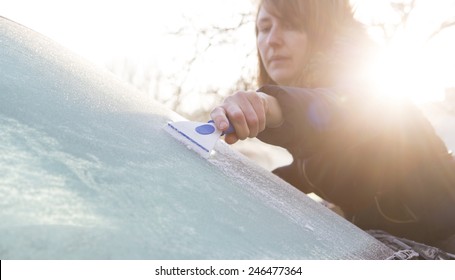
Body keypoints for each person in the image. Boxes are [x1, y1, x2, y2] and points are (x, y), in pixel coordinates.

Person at [210, 0, 455, 254]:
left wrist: (269, 105)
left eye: (291, 25)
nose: (271, 40)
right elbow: (314, 167)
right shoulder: (315, 119)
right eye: (263, 27)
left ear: (324, 30)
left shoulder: (366, 87)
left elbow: (340, 111)